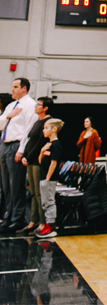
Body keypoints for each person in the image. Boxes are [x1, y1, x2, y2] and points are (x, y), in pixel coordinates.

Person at [0, 78, 38, 233]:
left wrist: (21, 149)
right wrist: (8, 116)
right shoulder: (10, 105)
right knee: (6, 185)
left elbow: (29, 130)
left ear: (24, 89)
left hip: (16, 145)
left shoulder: (30, 105)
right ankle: (8, 216)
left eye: (15, 87)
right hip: (5, 144)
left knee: (16, 185)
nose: (12, 90)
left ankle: (18, 219)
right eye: (12, 87)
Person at [19, 96, 53, 235]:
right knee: (32, 193)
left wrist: (28, 156)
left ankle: (42, 222)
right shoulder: (37, 121)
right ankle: (33, 221)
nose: (36, 106)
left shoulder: (48, 122)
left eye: (39, 105)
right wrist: (24, 155)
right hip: (30, 160)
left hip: (38, 161)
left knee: (39, 194)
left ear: (45, 108)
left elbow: (40, 143)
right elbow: (30, 139)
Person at [34, 118, 64, 239]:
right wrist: (42, 151)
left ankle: (51, 227)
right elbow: (40, 161)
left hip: (49, 179)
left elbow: (54, 163)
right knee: (45, 202)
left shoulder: (56, 145)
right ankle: (48, 225)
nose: (43, 130)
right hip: (43, 177)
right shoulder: (48, 145)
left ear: (54, 129)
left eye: (46, 128)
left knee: (50, 202)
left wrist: (47, 178)